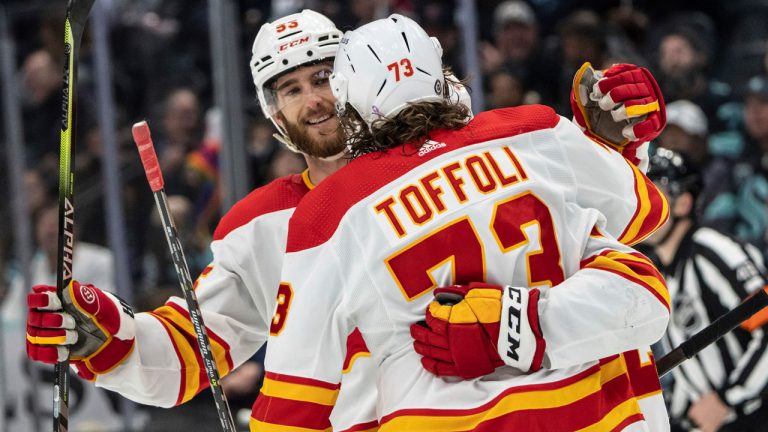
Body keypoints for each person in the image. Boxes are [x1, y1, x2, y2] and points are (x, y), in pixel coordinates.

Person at [25, 9, 667, 432]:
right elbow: (194, 352)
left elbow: (620, 234)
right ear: (273, 115)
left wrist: (615, 149)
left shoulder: (484, 145)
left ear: (359, 75)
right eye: (292, 89)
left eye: (324, 75)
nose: (316, 99)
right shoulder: (266, 227)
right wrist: (108, 340)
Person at [251, 14, 671, 431]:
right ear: (440, 70)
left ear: (350, 105)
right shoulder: (535, 130)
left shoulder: (328, 211)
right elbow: (643, 216)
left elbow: (292, 406)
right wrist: (610, 150)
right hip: (597, 414)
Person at [642, 148, 768, 432]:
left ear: (683, 203)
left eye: (655, 193)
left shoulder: (711, 248)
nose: (644, 206)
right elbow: (693, 365)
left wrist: (728, 399)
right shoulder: (663, 273)